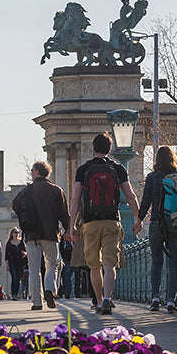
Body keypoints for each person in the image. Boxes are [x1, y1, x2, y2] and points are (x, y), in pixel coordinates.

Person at [67, 133, 142, 316]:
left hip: (90, 223)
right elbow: (130, 196)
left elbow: (75, 199)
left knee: (94, 266)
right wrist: (137, 218)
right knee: (109, 264)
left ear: (93, 148)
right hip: (112, 221)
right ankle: (108, 298)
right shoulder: (117, 168)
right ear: (109, 149)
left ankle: (99, 301)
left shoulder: (83, 169)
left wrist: (72, 225)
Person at [137, 145, 177, 313]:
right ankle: (171, 302)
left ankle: (155, 299)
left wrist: (139, 220)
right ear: (173, 158)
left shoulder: (152, 177)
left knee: (156, 261)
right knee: (174, 263)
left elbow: (146, 202)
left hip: (156, 223)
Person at [13, 160, 70, 311]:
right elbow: (64, 214)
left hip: (31, 234)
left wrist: (24, 218)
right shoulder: (56, 190)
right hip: (51, 233)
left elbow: (15, 204)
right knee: (53, 263)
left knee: (34, 269)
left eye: (32, 170)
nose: (31, 173)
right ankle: (50, 289)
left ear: (37, 172)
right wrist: (68, 230)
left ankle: (36, 302)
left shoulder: (27, 191)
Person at [4, 228, 27, 300]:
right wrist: (7, 265)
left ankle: (16, 294)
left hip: (20, 262)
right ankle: (13, 294)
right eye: (15, 232)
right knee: (14, 277)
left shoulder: (21, 242)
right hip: (11, 262)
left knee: (18, 278)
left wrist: (24, 253)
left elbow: (26, 252)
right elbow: (6, 256)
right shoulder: (9, 243)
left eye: (17, 232)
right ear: (12, 234)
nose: (16, 233)